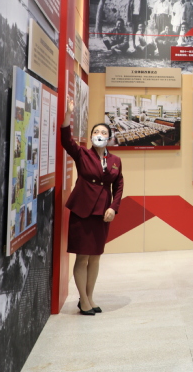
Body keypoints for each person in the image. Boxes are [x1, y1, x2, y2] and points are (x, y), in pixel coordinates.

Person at [60, 98, 124, 316]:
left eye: (104, 132)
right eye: (96, 132)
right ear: (91, 136)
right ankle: (84, 300)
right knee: (82, 257)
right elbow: (66, 140)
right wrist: (68, 115)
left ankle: (89, 297)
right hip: (82, 210)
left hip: (103, 213)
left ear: (109, 138)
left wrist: (113, 207)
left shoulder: (115, 160)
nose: (100, 134)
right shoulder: (82, 154)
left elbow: (119, 185)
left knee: (95, 256)